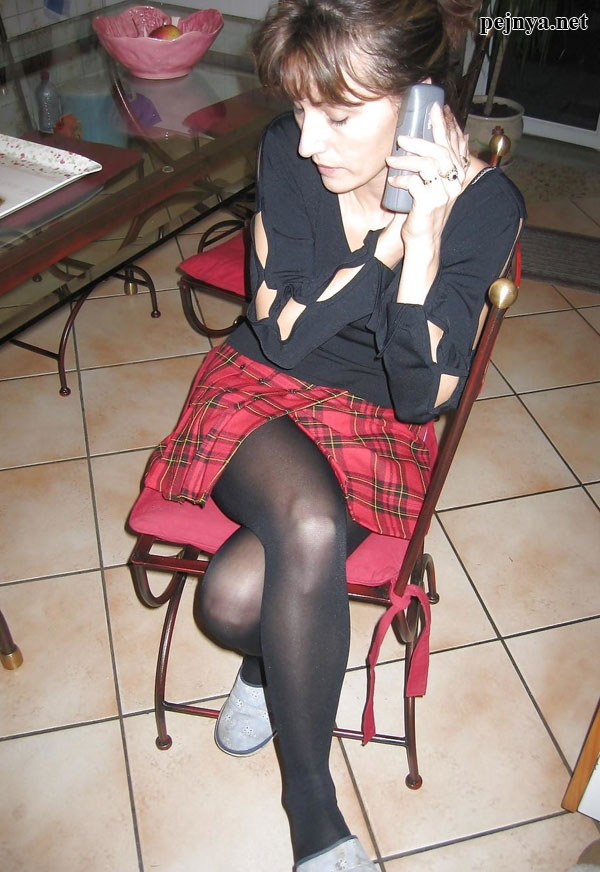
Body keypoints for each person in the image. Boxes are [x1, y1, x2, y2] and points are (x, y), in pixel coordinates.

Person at [145, 1, 525, 869]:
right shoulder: (289, 150)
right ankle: (312, 809)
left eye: (340, 116)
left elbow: (421, 397)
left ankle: (267, 665)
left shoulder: (485, 205)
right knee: (309, 523)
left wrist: (421, 242)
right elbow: (280, 334)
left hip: (376, 421)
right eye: (301, 107)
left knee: (231, 601)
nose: (310, 141)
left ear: (419, 98)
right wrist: (380, 249)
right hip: (257, 390)